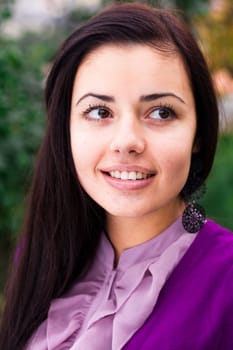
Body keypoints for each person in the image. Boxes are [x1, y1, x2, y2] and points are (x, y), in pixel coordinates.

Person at [0, 2, 233, 349]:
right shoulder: (44, 254)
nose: (127, 142)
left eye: (161, 112)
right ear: (66, 128)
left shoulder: (226, 278)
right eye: (98, 111)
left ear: (198, 132)